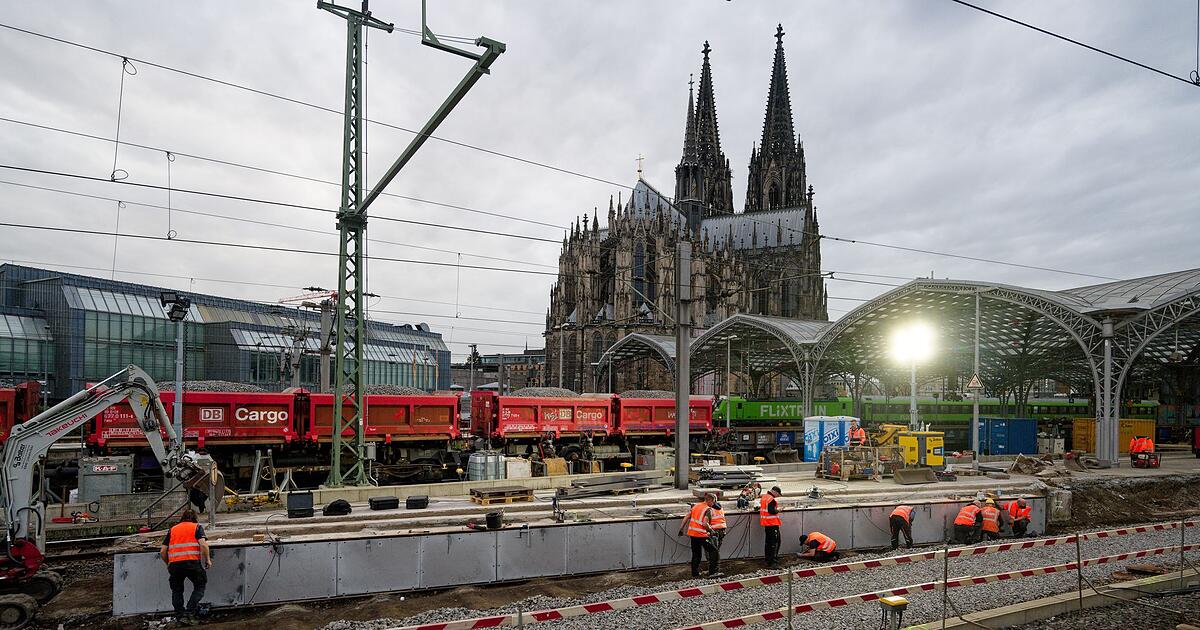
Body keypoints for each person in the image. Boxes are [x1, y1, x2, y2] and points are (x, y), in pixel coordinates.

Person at [160, 509, 211, 625]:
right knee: (200, 585)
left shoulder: (172, 529)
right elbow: (203, 544)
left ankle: (179, 617)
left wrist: (168, 563)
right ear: (195, 518)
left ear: (182, 518)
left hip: (175, 564)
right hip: (191, 563)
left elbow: (163, 551)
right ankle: (189, 612)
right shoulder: (196, 527)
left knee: (177, 590)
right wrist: (207, 559)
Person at [678, 493, 721, 578]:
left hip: (693, 534)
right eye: (713, 502)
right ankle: (712, 572)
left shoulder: (696, 506)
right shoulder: (708, 509)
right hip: (701, 535)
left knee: (696, 554)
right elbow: (705, 524)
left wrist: (681, 529)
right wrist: (712, 531)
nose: (713, 504)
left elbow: (686, 517)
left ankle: (695, 574)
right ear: (710, 500)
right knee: (714, 551)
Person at [760, 486, 783, 568]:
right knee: (775, 543)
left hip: (766, 524)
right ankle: (773, 562)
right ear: (775, 492)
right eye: (778, 494)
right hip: (772, 524)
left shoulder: (764, 497)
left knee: (768, 543)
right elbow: (771, 511)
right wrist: (778, 510)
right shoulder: (771, 499)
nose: (777, 496)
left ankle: (768, 560)